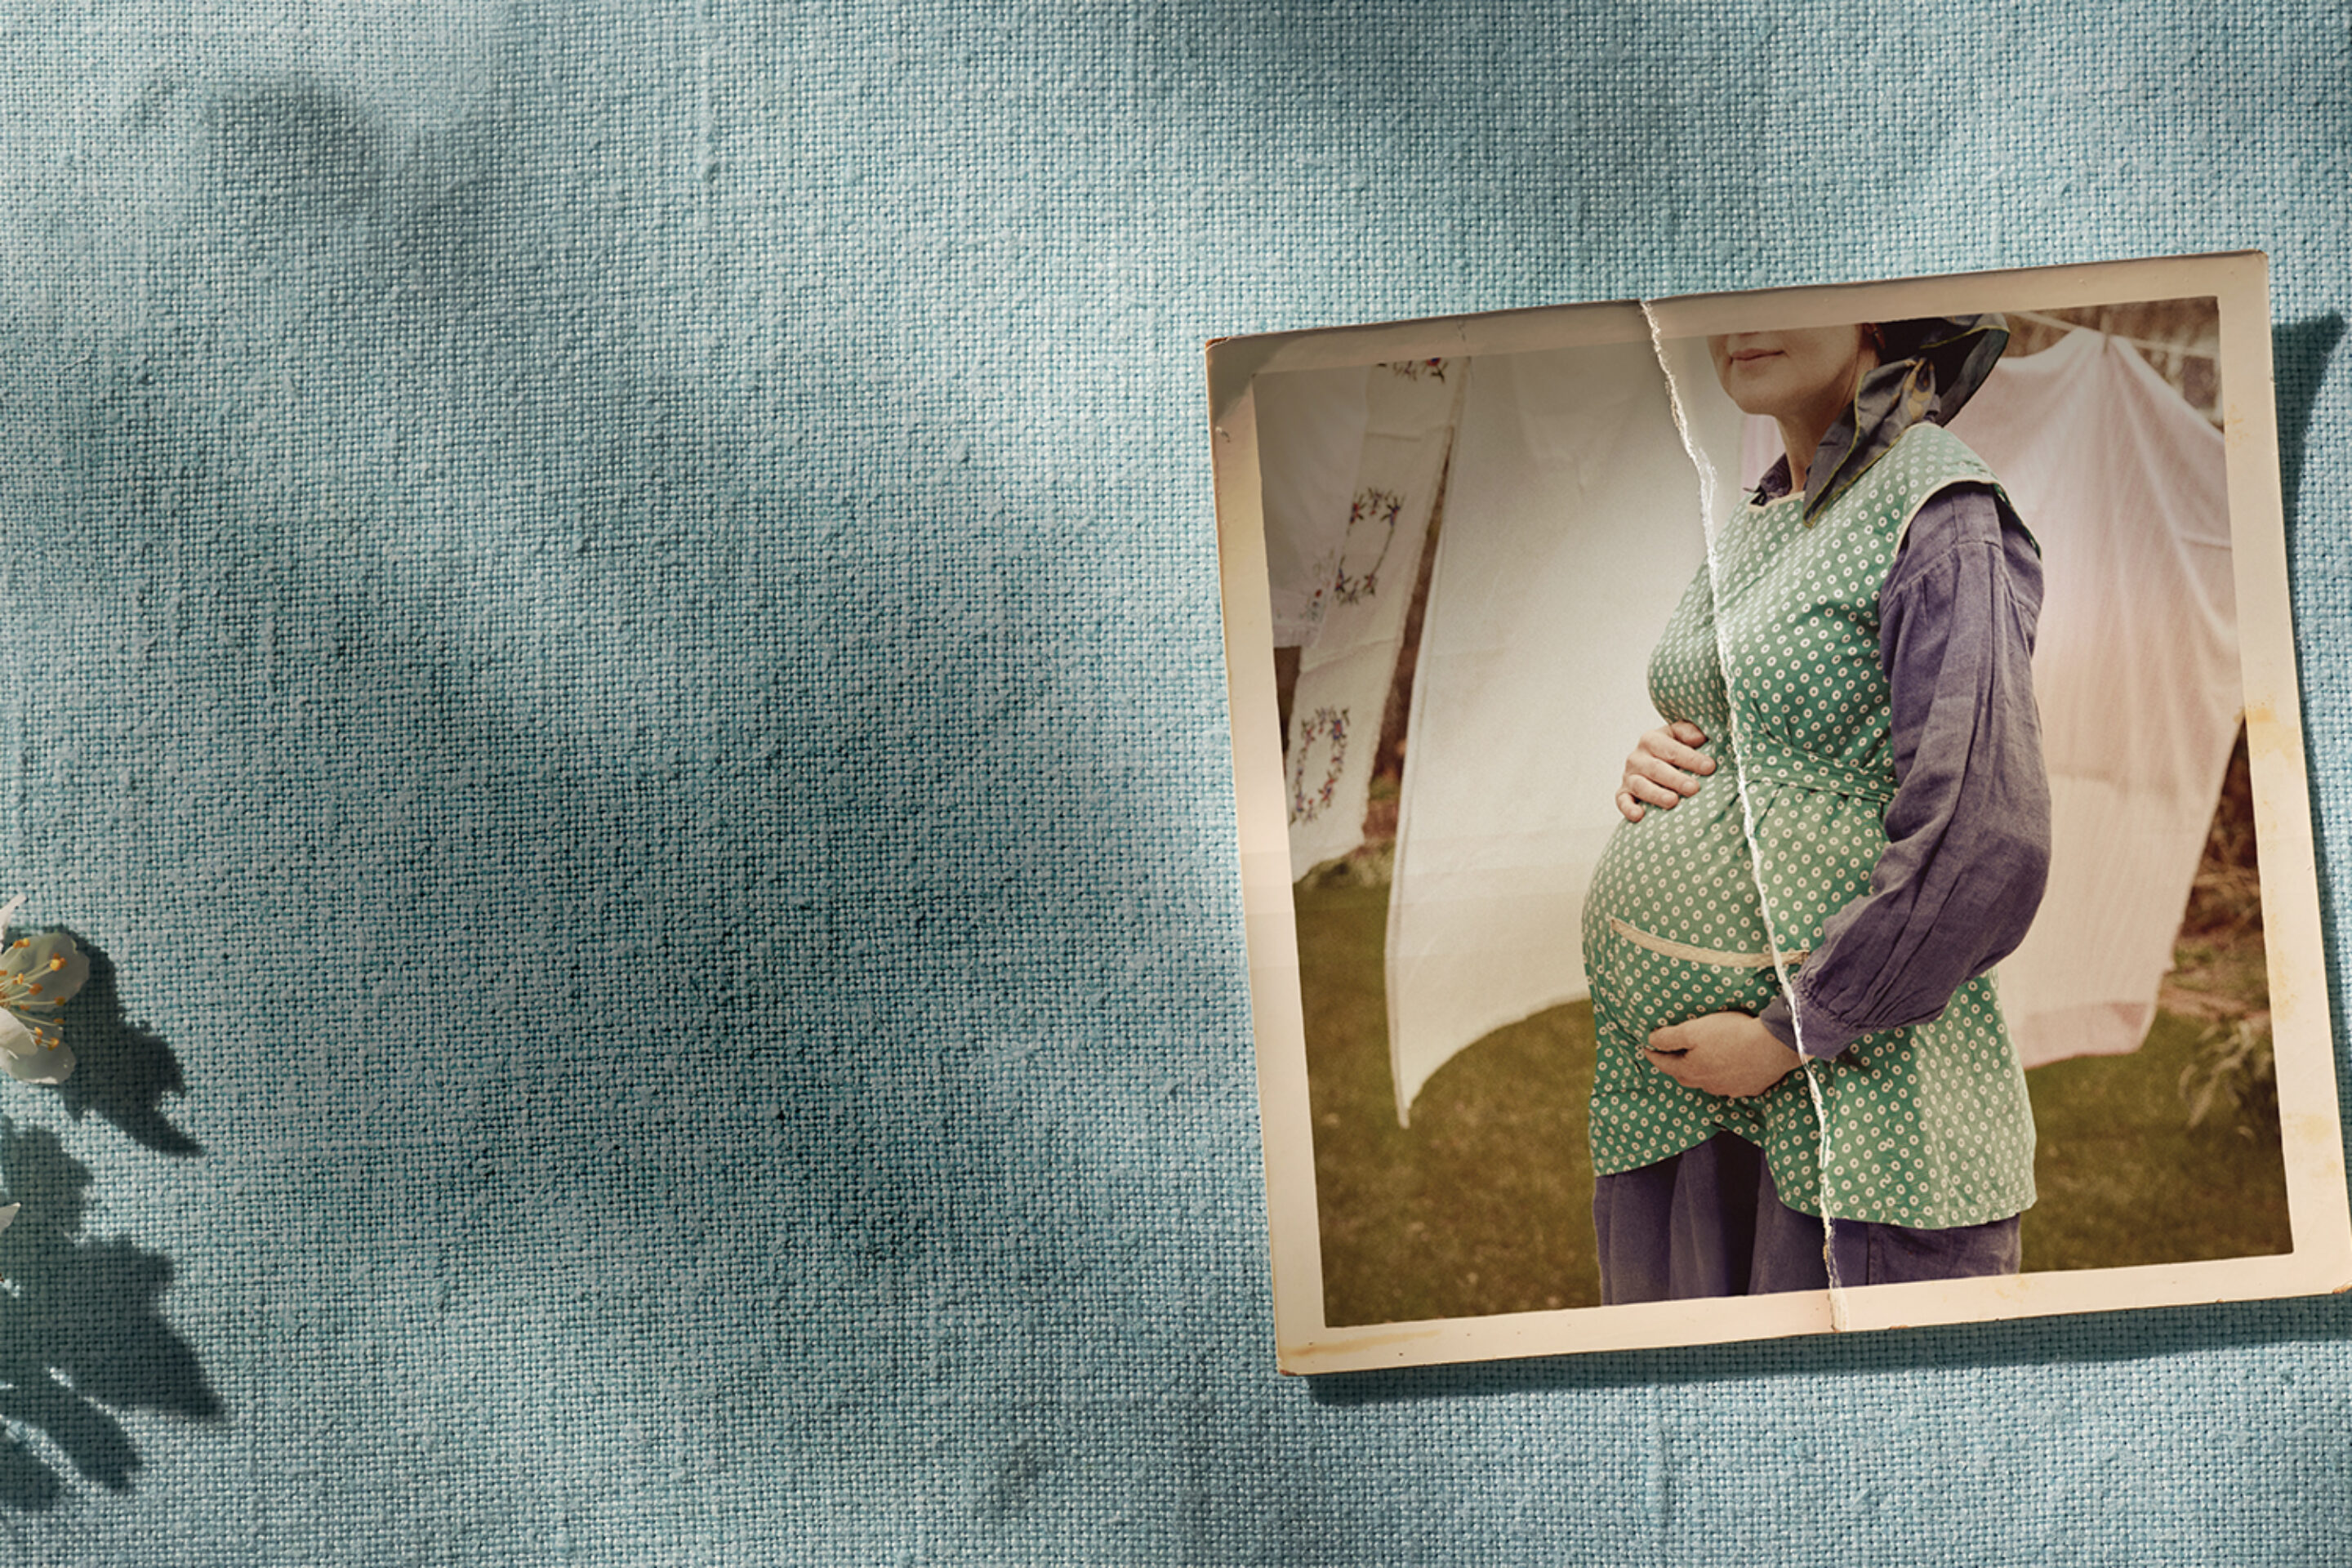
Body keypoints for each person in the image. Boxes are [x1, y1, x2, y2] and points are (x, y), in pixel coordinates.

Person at [1579, 317, 2051, 1302]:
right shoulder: (1768, 512)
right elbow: (1751, 721)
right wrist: (1664, 759)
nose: (1741, 321)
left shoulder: (1938, 509)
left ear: (1876, 309)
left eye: (1786, 287)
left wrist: (1787, 1034)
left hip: (1853, 1108)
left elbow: (1983, 833)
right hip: (1685, 1108)